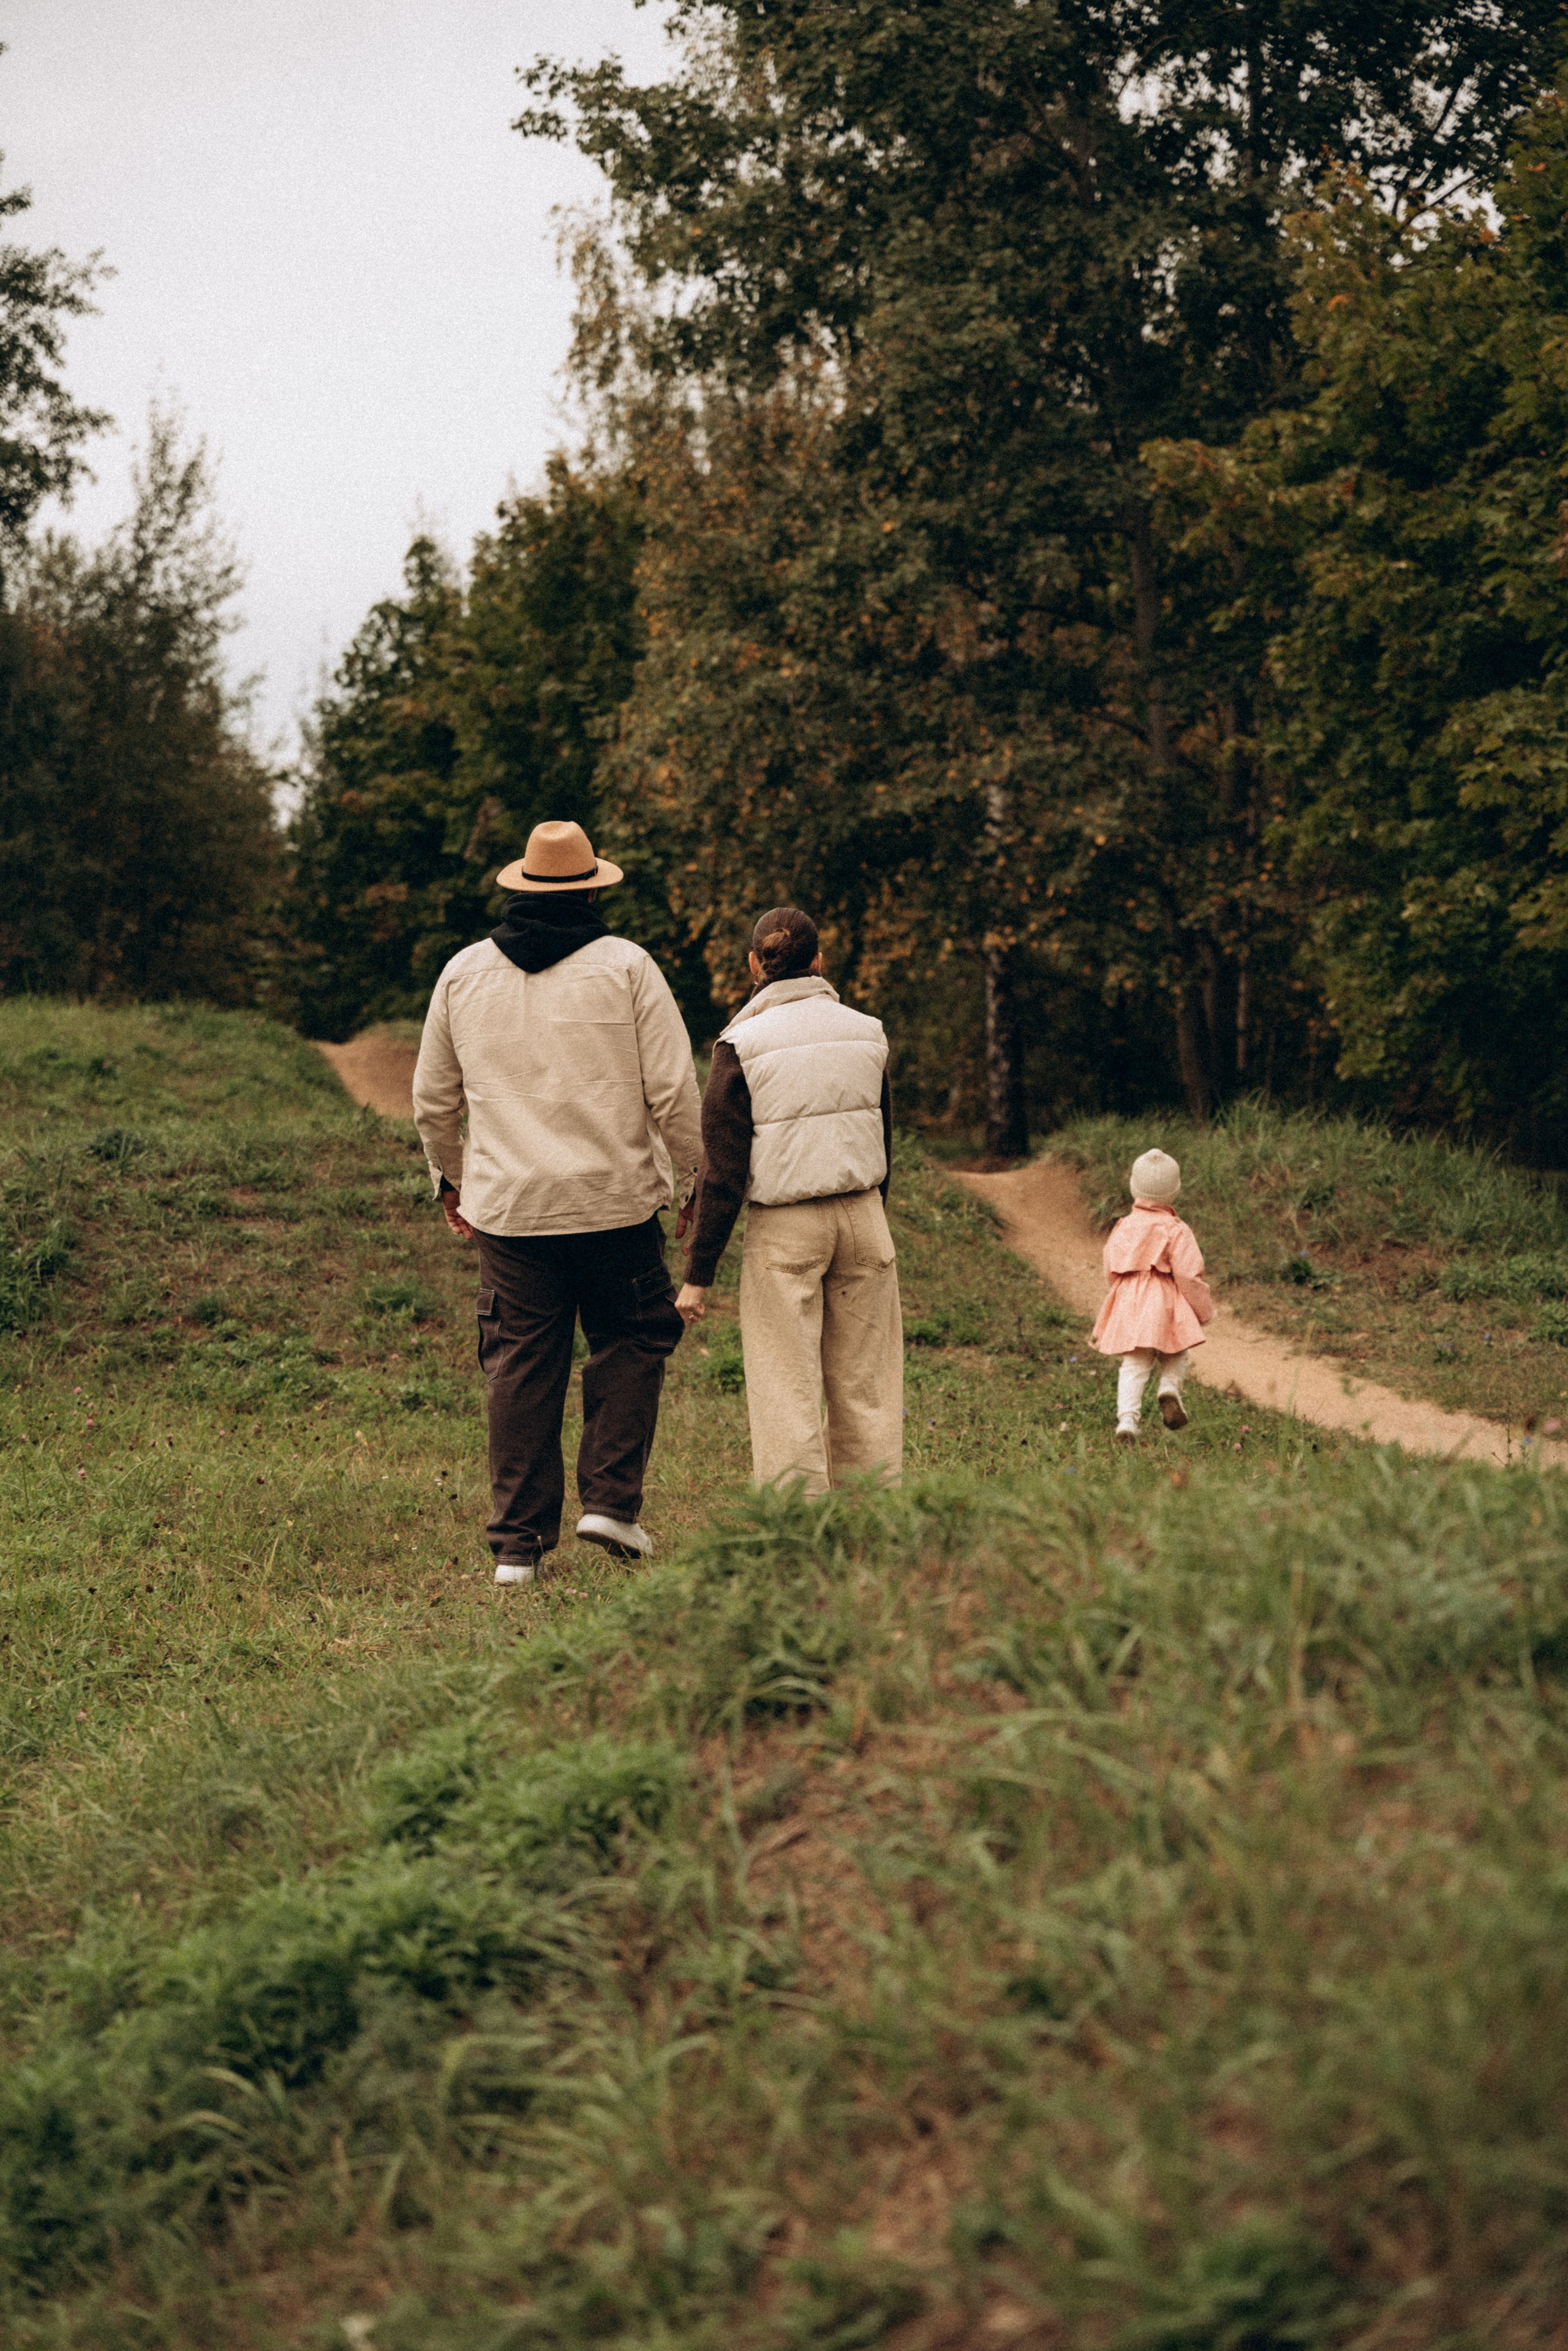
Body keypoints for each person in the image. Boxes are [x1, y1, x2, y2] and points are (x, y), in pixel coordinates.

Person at [413, 819, 701, 1584]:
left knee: (520, 1364)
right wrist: (697, 1179)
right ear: (594, 890)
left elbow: (432, 1100)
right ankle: (610, 1503)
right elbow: (675, 1091)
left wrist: (453, 1181)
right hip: (615, 1202)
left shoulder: (462, 972)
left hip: (510, 1211)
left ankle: (518, 1549)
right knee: (635, 1336)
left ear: (519, 887)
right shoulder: (629, 966)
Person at [675, 905, 902, 1496]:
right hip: (865, 1216)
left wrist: (698, 1275)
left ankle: (798, 1523)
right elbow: (882, 1136)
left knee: (787, 1384)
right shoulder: (867, 1031)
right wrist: (872, 1213)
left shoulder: (740, 1044)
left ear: (754, 965)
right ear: (819, 960)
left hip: (786, 1228)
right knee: (868, 1385)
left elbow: (724, 1172)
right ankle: (874, 1517)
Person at [1091, 1148, 1214, 1442]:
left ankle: (1127, 1422)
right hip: (1164, 1300)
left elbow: (1110, 1266)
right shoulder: (1176, 1229)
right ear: (1175, 1191)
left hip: (1129, 1298)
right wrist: (1203, 1310)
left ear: (1134, 1187)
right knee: (1176, 1352)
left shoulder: (1124, 1226)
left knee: (1134, 1364)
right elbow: (1189, 1275)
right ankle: (1169, 1388)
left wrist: (1122, 1294)